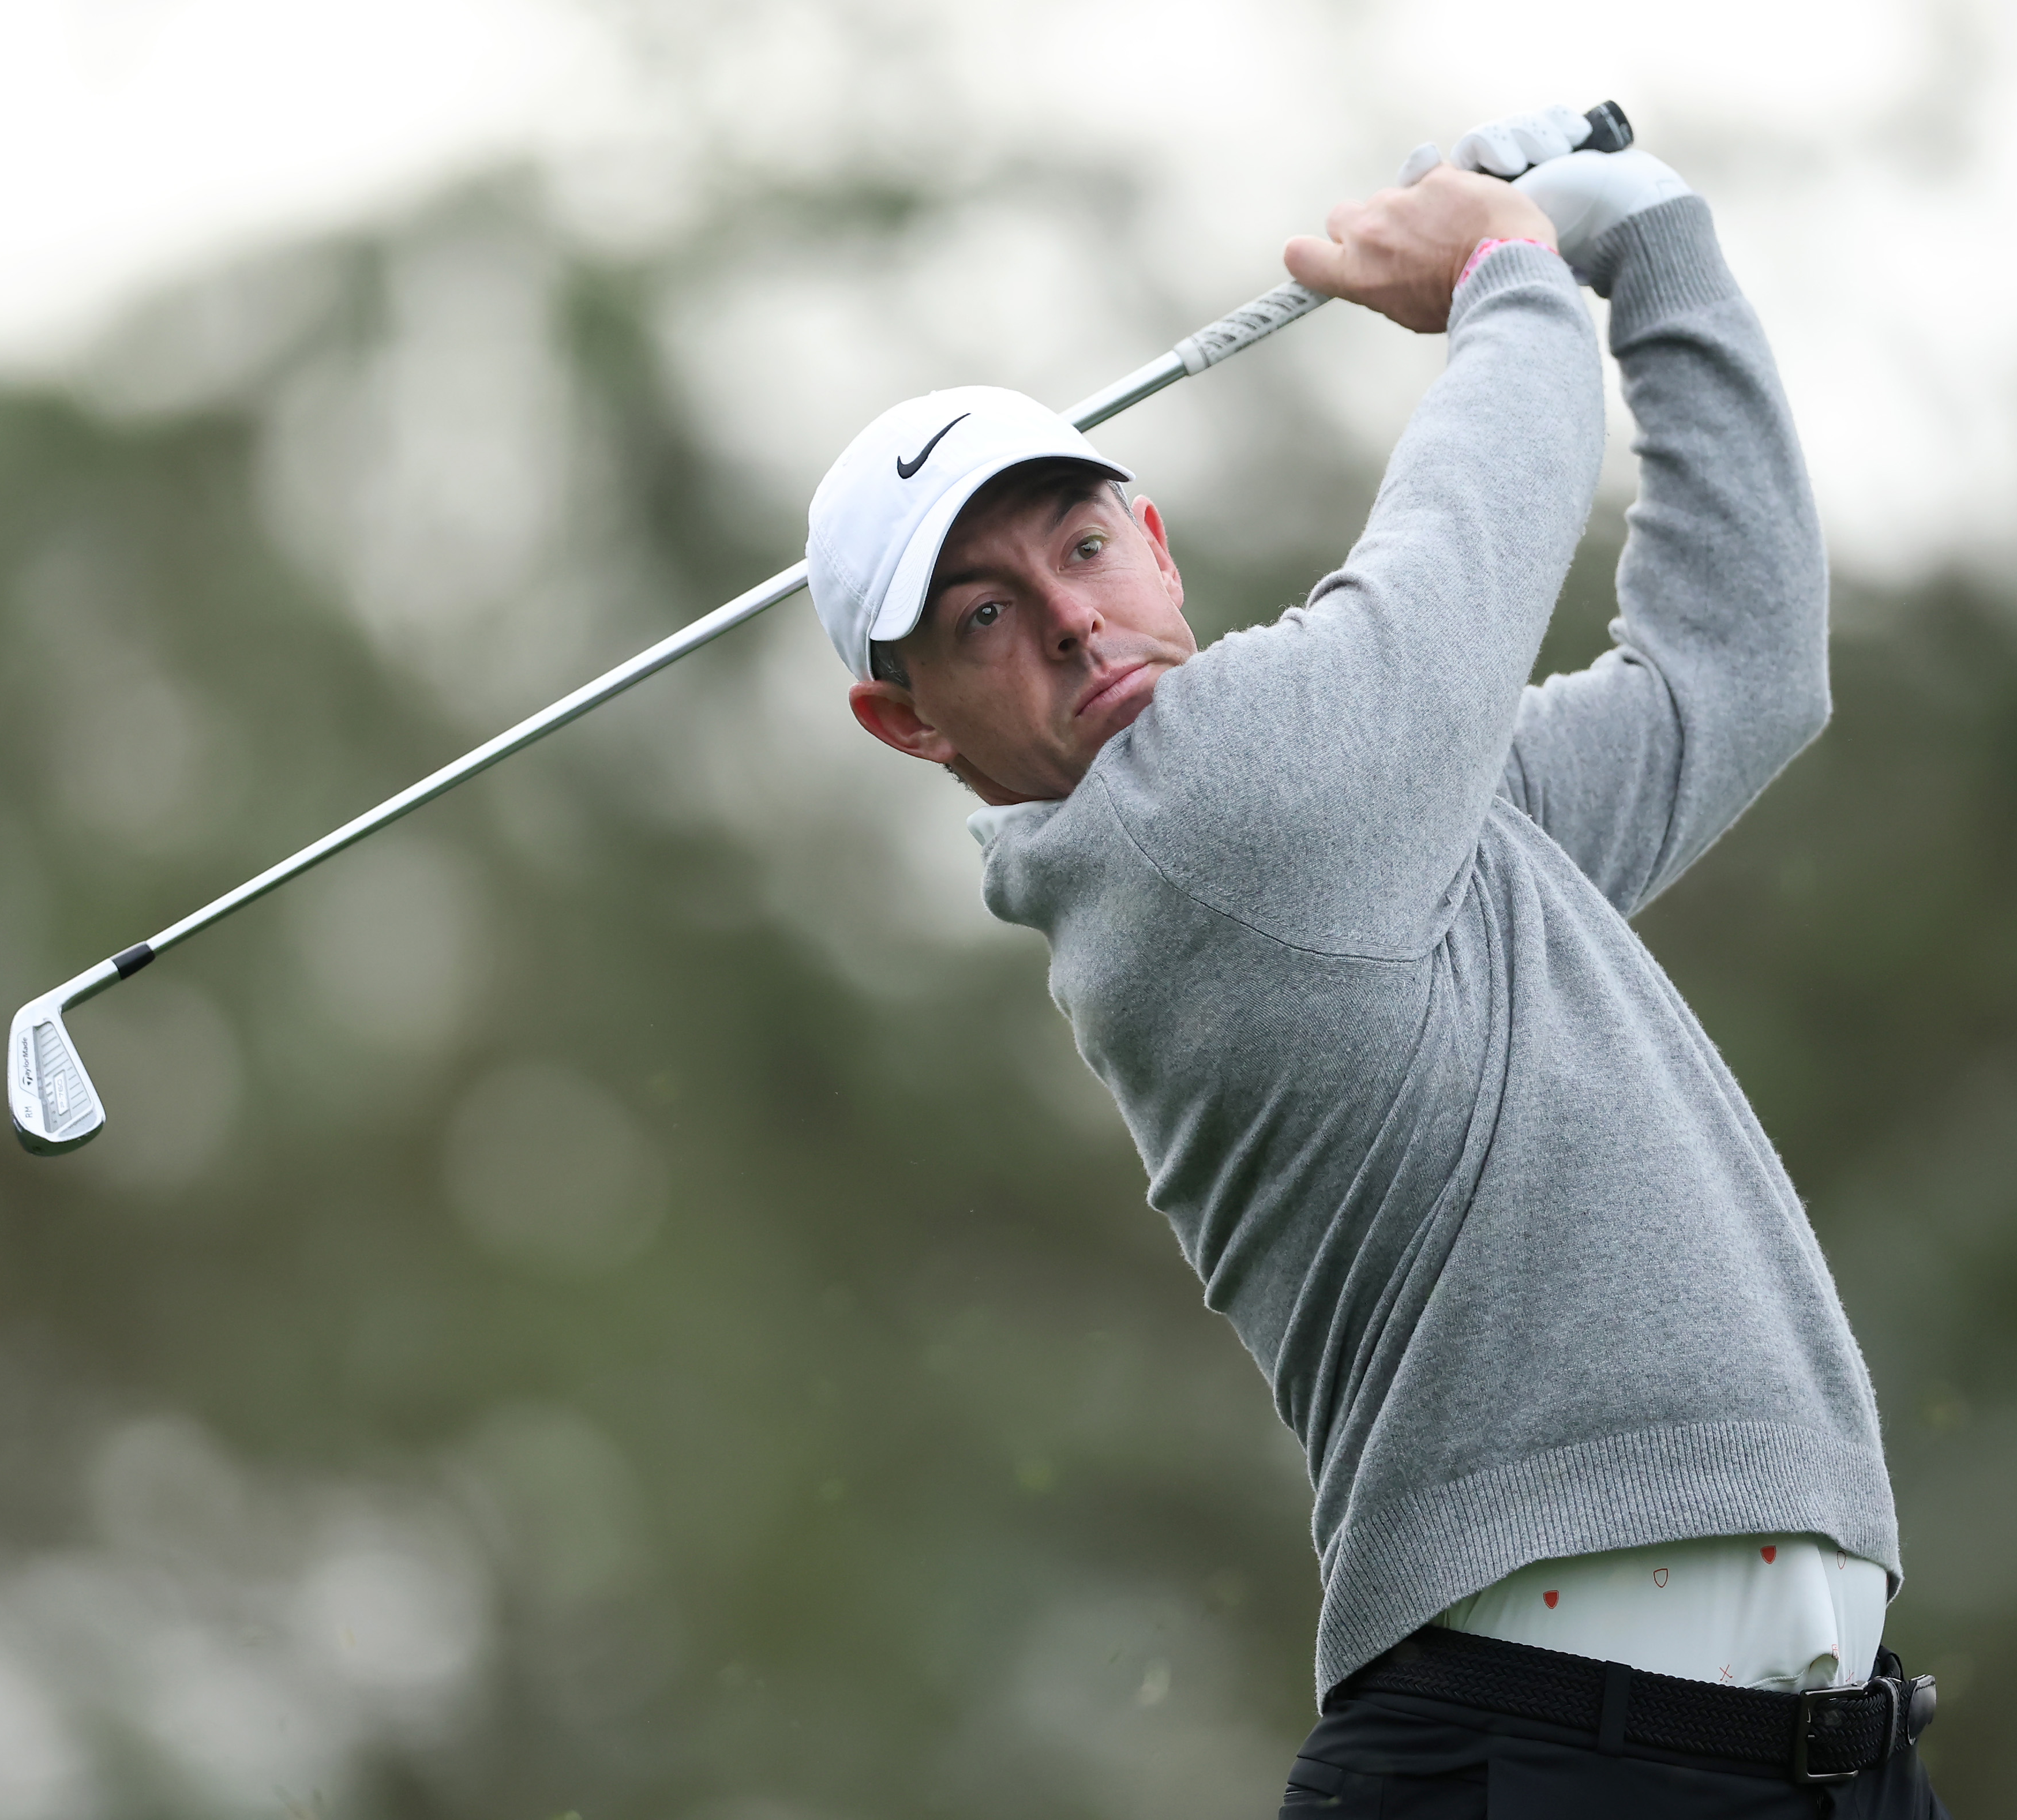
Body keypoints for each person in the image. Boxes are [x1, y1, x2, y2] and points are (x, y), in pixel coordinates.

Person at [803, 103, 1948, 1818]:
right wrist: (1510, 273)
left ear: (1156, 545)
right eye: (979, 615)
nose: (1068, 621)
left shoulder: (1400, 825)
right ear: (909, 727)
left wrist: (1654, 249)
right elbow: (1461, 554)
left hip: (1811, 1762)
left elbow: (1741, 669)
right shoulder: (1191, 826)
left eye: (1083, 544)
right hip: (1540, 1757)